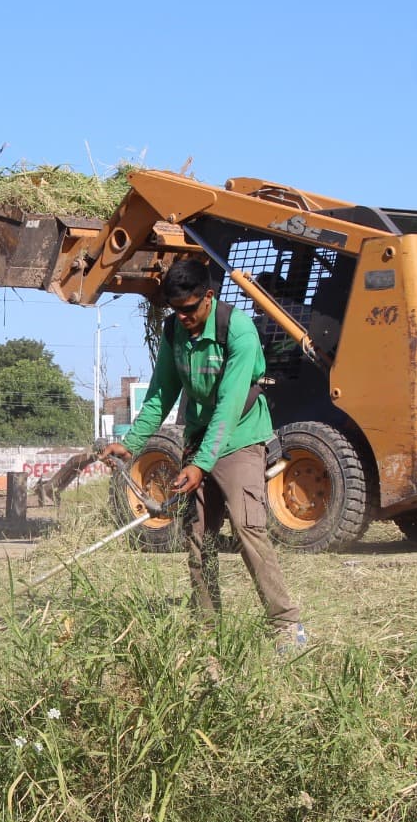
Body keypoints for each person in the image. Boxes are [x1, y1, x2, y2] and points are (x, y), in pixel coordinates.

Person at [100, 260, 304, 647]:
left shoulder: (238, 330)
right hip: (200, 438)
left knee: (248, 528)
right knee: (197, 536)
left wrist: (201, 464)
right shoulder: (174, 330)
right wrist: (132, 443)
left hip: (240, 437)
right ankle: (207, 627)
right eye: (176, 310)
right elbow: (162, 393)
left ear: (209, 297)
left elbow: (228, 404)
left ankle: (285, 625)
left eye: (190, 309)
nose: (183, 317)